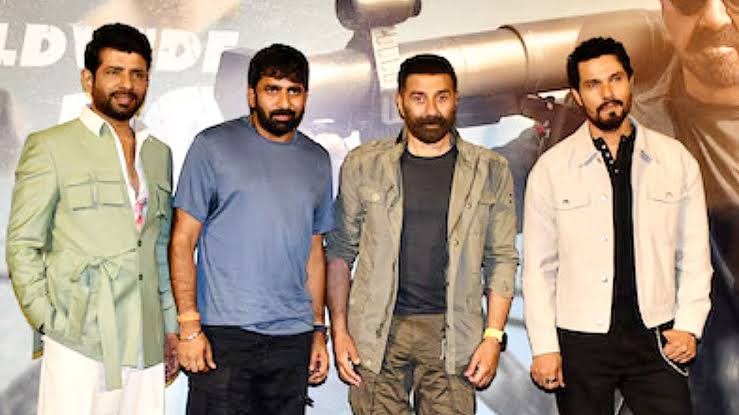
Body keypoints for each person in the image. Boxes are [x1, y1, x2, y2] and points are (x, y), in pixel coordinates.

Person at [523, 37, 713, 414]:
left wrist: (689, 325)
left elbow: (694, 255)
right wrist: (544, 347)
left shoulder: (675, 159)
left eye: (615, 79)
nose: (607, 93)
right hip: (580, 338)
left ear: (631, 81)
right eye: (593, 84)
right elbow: (539, 269)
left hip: (656, 334)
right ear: (577, 95)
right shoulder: (551, 170)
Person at [325, 54, 518, 414]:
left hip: (453, 335)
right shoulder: (363, 165)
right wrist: (339, 331)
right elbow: (339, 252)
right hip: (376, 333)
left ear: (455, 99)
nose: (431, 110)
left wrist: (493, 336)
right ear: (400, 102)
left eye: (441, 97)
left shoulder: (490, 169)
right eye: (419, 97)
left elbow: (502, 258)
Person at [5, 23, 178, 414]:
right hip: (78, 340)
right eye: (114, 72)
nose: (127, 85)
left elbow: (159, 249)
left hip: (146, 340)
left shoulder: (158, 153)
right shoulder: (50, 146)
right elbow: (23, 244)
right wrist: (50, 321)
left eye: (137, 74)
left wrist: (169, 326)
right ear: (88, 79)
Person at [169, 43, 332, 415]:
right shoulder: (212, 146)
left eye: (294, 91)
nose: (284, 102)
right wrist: (189, 325)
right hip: (225, 335)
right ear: (251, 95)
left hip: (292, 337)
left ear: (306, 96)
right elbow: (182, 240)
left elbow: (314, 252)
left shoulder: (318, 159)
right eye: (272, 90)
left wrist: (317, 331)